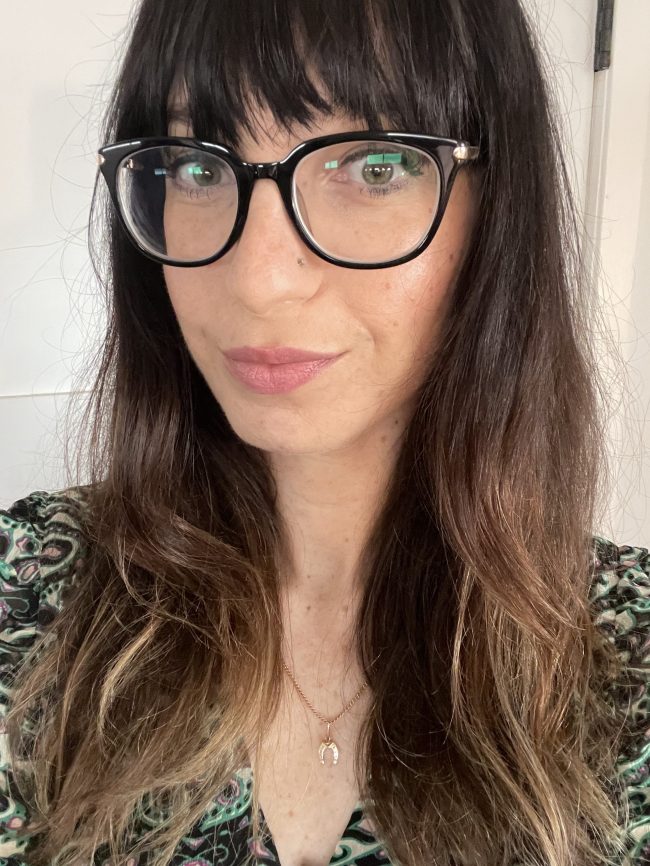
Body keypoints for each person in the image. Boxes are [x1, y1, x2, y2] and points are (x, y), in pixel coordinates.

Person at [1, 0, 649, 865]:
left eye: (374, 166)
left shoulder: (628, 661)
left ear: (496, 213)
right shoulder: (33, 591)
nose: (260, 279)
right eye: (197, 166)